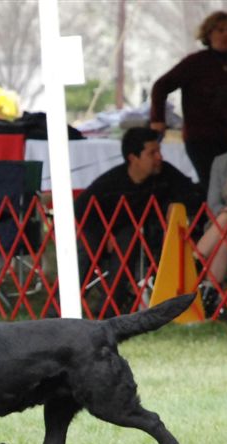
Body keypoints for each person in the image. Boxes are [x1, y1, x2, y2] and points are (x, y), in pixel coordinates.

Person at [74, 127, 204, 317]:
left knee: (127, 238)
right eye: (152, 153)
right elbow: (82, 208)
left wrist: (177, 203)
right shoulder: (110, 183)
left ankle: (110, 310)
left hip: (147, 237)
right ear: (133, 158)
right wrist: (105, 234)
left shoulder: (166, 173)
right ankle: (61, 308)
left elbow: (194, 193)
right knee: (90, 245)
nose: (159, 157)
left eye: (159, 151)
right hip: (105, 233)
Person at [150, 10, 227, 192]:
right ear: (209, 34)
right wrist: (158, 119)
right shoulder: (195, 62)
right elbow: (161, 86)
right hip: (200, 137)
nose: (226, 35)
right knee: (212, 183)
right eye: (220, 30)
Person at [196, 113, 227, 317]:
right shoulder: (221, 162)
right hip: (221, 226)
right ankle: (209, 297)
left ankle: (194, 261)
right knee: (225, 237)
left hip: (220, 225)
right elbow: (213, 205)